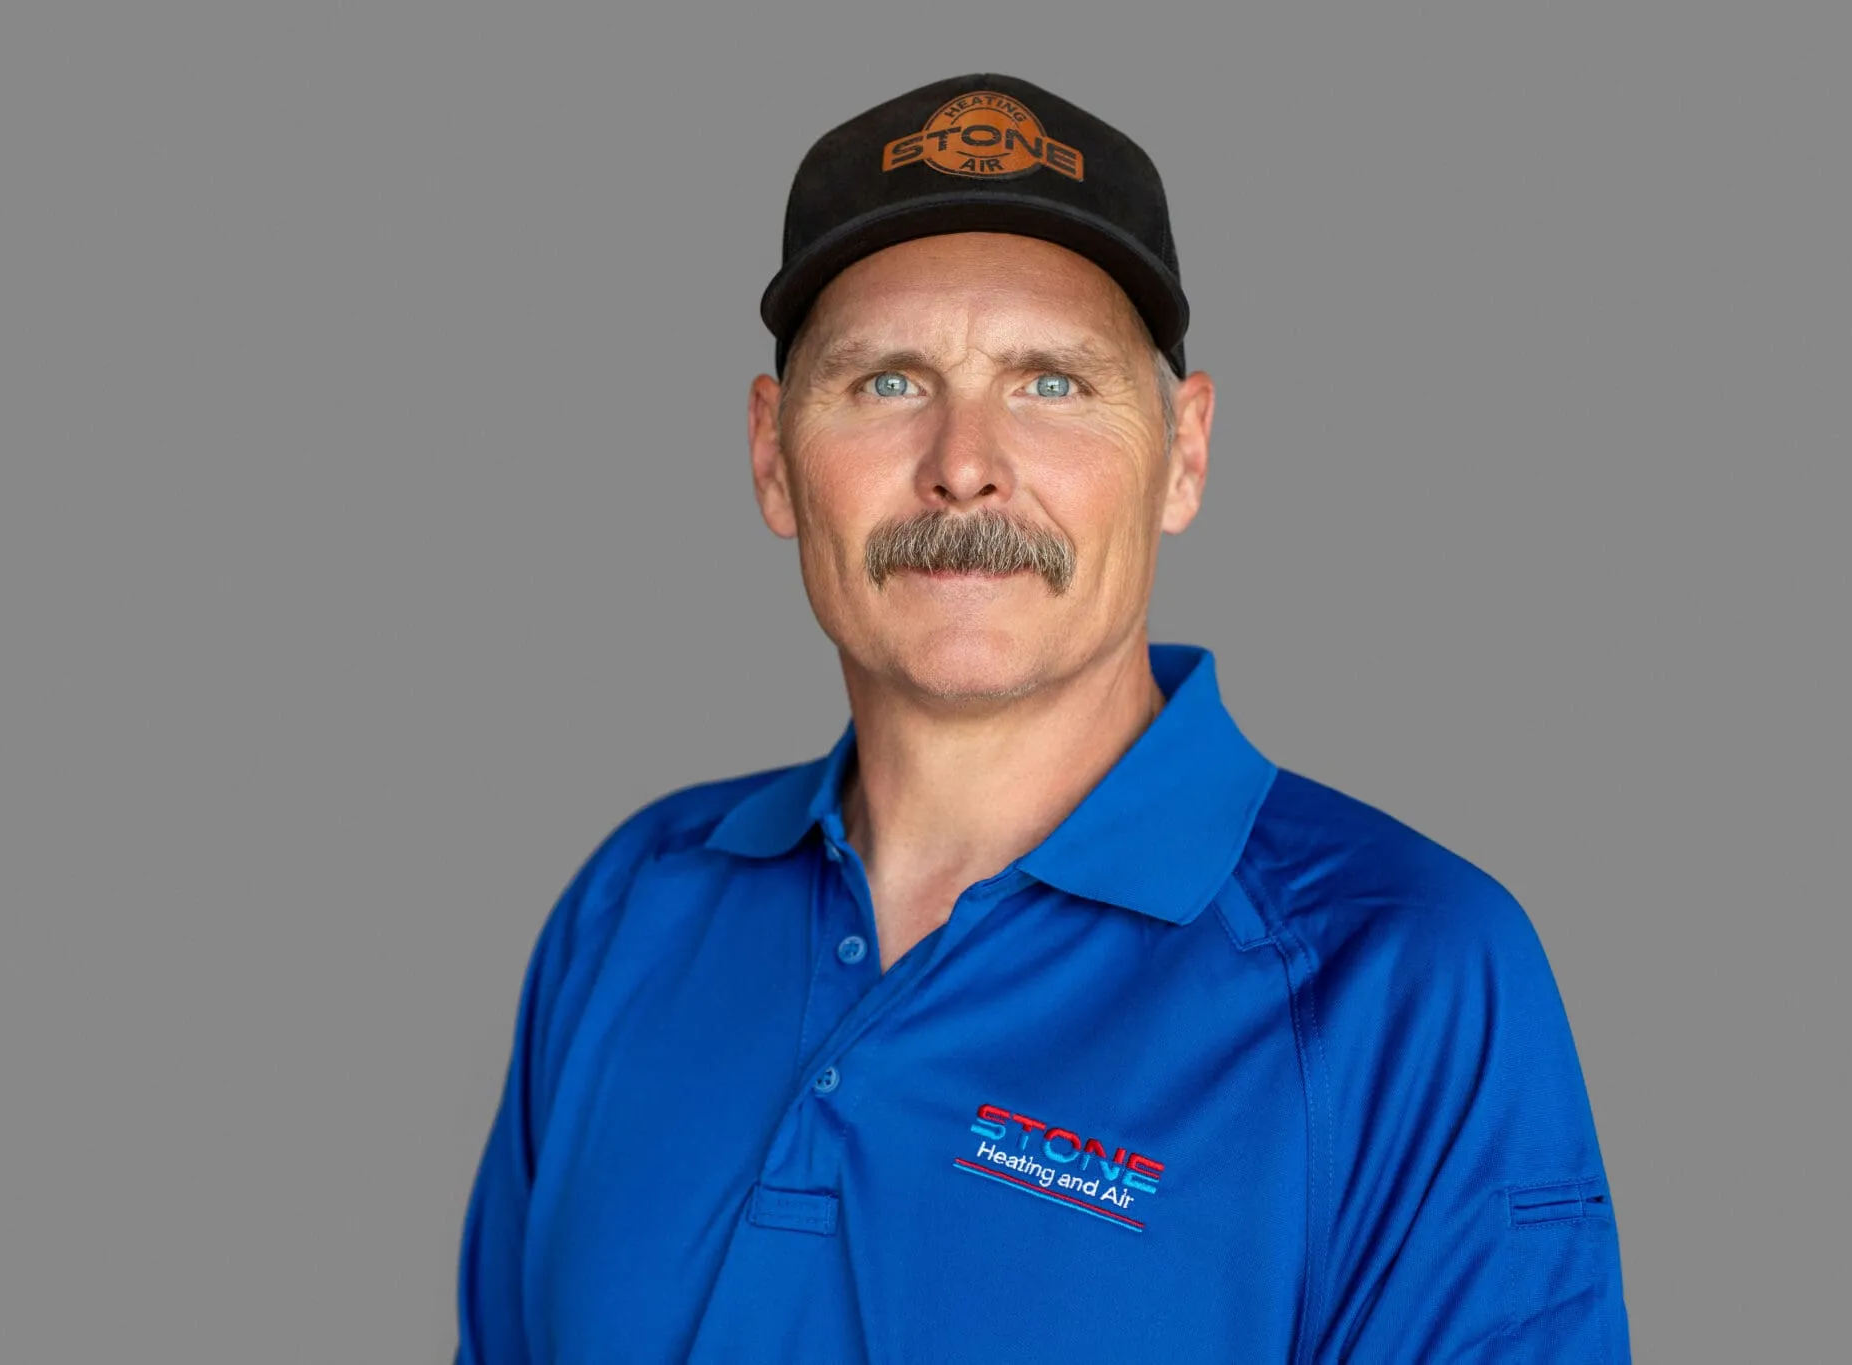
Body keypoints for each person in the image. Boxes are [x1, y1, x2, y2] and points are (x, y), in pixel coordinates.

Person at [454, 72, 1631, 1363]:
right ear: (772, 456)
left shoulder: (1401, 973)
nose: (966, 460)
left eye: (1053, 384)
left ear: (1183, 454)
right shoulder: (634, 905)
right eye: (888, 383)